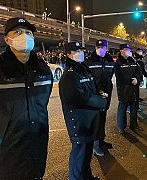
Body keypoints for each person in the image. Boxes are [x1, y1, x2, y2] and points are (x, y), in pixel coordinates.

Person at [0, 17, 53, 179]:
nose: (24, 36)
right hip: (6, 152)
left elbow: (42, 102)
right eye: (17, 32)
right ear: (7, 40)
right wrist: (3, 126)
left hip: (36, 148)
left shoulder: (43, 70)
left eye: (28, 32)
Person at [59, 41, 106, 180]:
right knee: (79, 154)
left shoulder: (83, 69)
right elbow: (82, 97)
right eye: (76, 51)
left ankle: (87, 177)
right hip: (78, 122)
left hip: (88, 119)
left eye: (81, 51)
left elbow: (93, 89)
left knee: (86, 154)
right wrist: (101, 101)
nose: (80, 54)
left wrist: (99, 94)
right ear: (68, 54)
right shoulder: (69, 75)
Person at [85, 39, 114, 157]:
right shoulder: (89, 61)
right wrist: (96, 91)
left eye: (103, 47)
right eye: (98, 47)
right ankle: (95, 145)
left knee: (103, 117)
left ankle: (101, 141)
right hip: (95, 94)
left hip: (107, 93)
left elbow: (110, 75)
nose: (100, 49)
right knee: (96, 119)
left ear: (107, 48)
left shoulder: (109, 60)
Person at [115, 44, 142, 134]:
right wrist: (131, 81)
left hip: (134, 89)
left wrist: (137, 79)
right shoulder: (118, 63)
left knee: (134, 108)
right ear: (121, 51)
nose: (128, 51)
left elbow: (139, 72)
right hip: (124, 89)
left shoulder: (133, 61)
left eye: (129, 49)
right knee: (122, 108)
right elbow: (120, 77)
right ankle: (121, 127)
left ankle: (134, 125)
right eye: (126, 49)